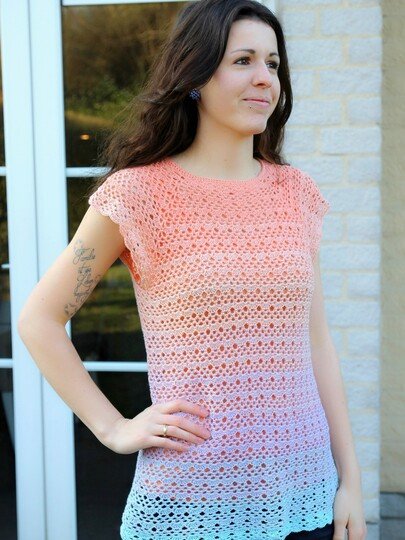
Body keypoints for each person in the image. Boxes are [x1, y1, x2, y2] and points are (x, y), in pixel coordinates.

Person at [18, 0, 368, 539]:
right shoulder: (138, 195)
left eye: (273, 63)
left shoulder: (295, 193)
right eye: (243, 60)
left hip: (307, 495)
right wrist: (113, 428)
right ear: (196, 75)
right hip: (190, 499)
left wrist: (352, 481)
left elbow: (316, 343)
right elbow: (39, 320)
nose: (264, 78)